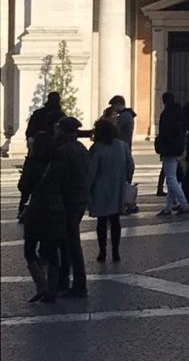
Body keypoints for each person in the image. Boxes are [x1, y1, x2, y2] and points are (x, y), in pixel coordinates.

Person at [20, 132, 68, 304]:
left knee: (30, 249)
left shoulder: (32, 163)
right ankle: (52, 290)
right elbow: (67, 186)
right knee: (53, 251)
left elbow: (23, 187)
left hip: (37, 210)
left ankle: (41, 285)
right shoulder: (60, 163)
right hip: (56, 210)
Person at [88, 118, 132, 262]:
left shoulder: (97, 148)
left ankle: (102, 251)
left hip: (100, 188)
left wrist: (87, 189)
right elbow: (130, 165)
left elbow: (91, 171)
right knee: (115, 221)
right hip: (117, 187)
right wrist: (126, 179)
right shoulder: (122, 146)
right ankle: (116, 251)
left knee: (101, 222)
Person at [55, 117, 90, 296]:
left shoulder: (63, 151)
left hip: (69, 201)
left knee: (70, 242)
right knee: (69, 240)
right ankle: (66, 281)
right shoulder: (81, 148)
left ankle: (77, 283)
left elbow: (59, 178)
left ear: (62, 130)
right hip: (80, 199)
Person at [155, 91, 189, 216]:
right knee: (172, 178)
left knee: (170, 178)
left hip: (169, 149)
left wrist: (161, 145)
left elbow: (165, 133)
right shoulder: (179, 113)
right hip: (177, 148)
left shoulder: (167, 114)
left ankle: (184, 204)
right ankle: (168, 207)